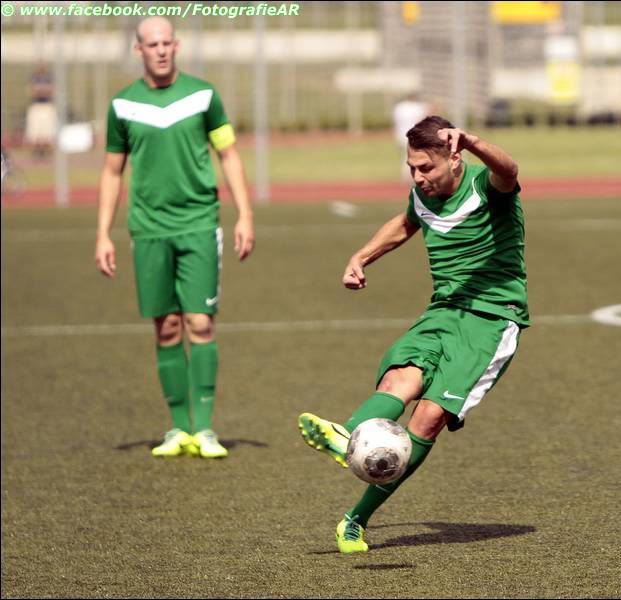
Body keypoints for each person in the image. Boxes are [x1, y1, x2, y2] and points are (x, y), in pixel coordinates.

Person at [297, 115, 528, 554]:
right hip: (442, 311)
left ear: (454, 158)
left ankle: (355, 519)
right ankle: (347, 435)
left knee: (427, 419)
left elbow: (509, 170)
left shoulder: (486, 187)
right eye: (411, 168)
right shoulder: (423, 195)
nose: (418, 177)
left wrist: (473, 140)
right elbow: (407, 222)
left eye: (426, 168)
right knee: (398, 378)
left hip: (491, 319)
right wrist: (361, 257)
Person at [94, 17, 255, 459]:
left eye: (167, 43)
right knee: (166, 327)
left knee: (200, 323)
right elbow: (111, 172)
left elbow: (229, 154)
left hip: (199, 223)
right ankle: (178, 428)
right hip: (148, 228)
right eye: (153, 44)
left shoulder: (204, 96)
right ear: (138, 50)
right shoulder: (122, 105)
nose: (161, 50)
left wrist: (244, 214)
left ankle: (204, 429)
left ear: (177, 45)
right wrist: (102, 233)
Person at [391, 93, 431, 183]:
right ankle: (409, 176)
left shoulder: (399, 107)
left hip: (400, 135)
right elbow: (423, 119)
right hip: (414, 135)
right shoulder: (417, 107)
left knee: (406, 156)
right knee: (413, 156)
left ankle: (408, 176)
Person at [24, 63, 57, 158]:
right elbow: (31, 90)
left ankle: (46, 150)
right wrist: (42, 91)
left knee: (47, 130)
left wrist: (41, 90)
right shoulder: (34, 77)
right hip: (36, 105)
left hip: (47, 105)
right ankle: (37, 150)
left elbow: (52, 90)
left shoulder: (49, 77)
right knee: (35, 130)